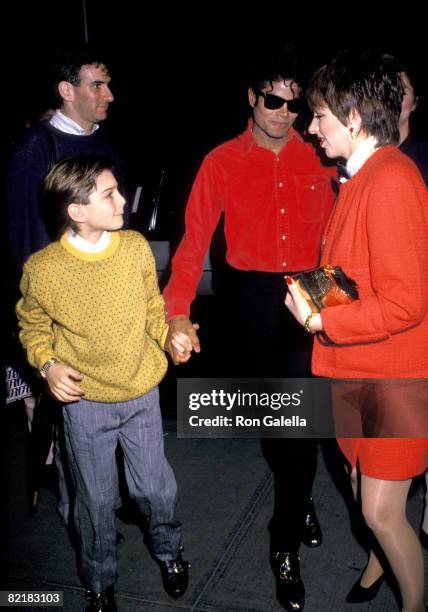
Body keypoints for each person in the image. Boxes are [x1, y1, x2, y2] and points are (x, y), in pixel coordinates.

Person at [163, 47, 336, 611]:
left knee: (304, 422)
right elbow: (191, 246)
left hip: (316, 290)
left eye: (293, 103)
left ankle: (284, 530)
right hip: (257, 301)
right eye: (272, 101)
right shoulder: (221, 161)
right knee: (286, 421)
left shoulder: (321, 154)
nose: (284, 113)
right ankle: (296, 501)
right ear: (251, 98)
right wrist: (177, 311)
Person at [15, 154, 193, 611]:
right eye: (109, 194)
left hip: (140, 391)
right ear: (77, 210)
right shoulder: (44, 268)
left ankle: (170, 551)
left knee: (153, 488)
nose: (122, 201)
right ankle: (99, 581)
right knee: (94, 502)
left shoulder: (134, 248)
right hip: (85, 402)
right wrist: (48, 364)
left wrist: (169, 334)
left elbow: (153, 310)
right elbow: (32, 327)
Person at [285, 50, 428, 612]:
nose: (310, 126)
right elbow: (359, 272)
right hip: (352, 372)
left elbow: (405, 304)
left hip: (392, 376)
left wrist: (322, 319)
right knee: (354, 480)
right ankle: (376, 563)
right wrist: (314, 290)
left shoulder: (391, 179)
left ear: (354, 119)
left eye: (318, 115)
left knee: (381, 511)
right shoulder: (361, 174)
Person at [6, 42, 120, 523]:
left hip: (103, 305)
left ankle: (101, 504)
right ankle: (85, 517)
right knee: (66, 419)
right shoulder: (38, 148)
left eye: (108, 84)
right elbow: (24, 239)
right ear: (66, 90)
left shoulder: (103, 145)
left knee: (100, 413)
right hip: (60, 312)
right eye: (97, 85)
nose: (109, 95)